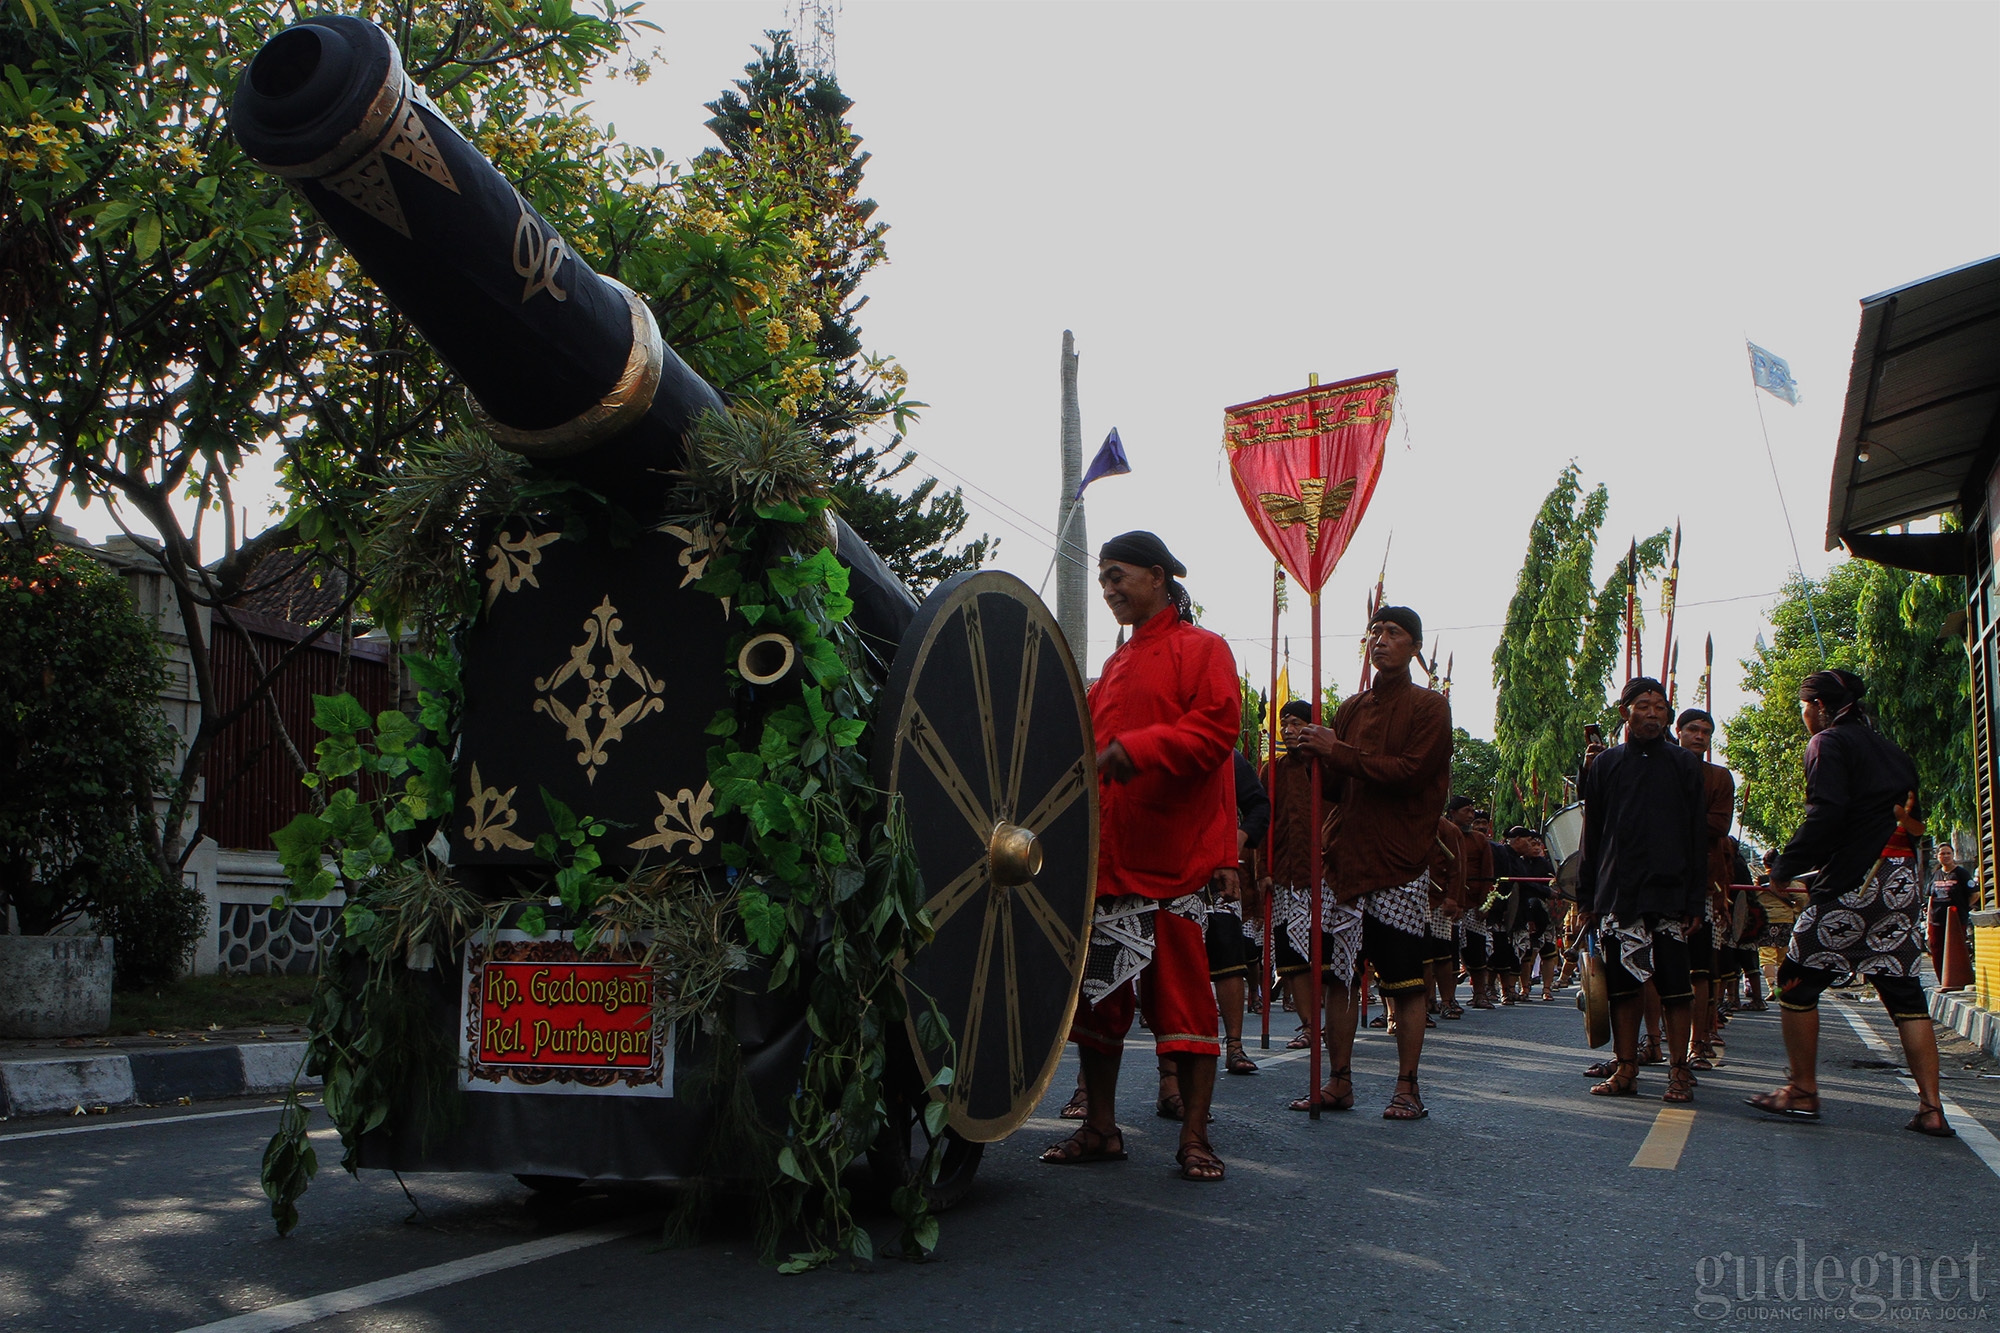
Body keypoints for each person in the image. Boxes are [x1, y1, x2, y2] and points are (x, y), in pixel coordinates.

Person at [1042, 531, 1239, 1181]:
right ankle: (1101, 1127)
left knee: (1185, 1006)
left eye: (1118, 576)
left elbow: (1214, 732)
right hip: (1110, 864)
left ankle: (1195, 1137)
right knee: (1098, 1004)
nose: (1108, 589)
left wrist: (1140, 748)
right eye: (1102, 580)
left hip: (1175, 861)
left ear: (1159, 577)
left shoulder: (1203, 649)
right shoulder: (1113, 670)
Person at [1749, 670, 1954, 1137]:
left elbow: (1828, 815)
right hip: (1901, 883)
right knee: (1904, 990)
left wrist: (1784, 868)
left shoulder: (1827, 744)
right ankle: (1931, 1108)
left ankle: (1802, 1091)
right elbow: (1910, 825)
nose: (1804, 718)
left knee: (1795, 983)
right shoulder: (1894, 751)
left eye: (1804, 708)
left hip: (1855, 883)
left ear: (1819, 706)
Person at [1281, 606, 1453, 1120]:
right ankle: (1339, 1080)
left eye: (1393, 632)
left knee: (1402, 980)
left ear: (1414, 646)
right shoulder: (1352, 707)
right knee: (1339, 976)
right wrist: (1316, 756)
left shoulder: (1431, 707)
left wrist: (1339, 752)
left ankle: (1407, 1086)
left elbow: (1410, 773)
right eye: (1375, 631)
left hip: (1398, 860)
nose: (1380, 639)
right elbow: (1337, 788)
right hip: (1347, 860)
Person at [1576, 677, 1708, 1103]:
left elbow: (1695, 836)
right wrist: (1587, 897)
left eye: (1660, 707)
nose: (1653, 714)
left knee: (1675, 987)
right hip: (1620, 892)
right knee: (1622, 987)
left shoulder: (1685, 765)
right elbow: (1591, 836)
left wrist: (1695, 899)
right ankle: (1626, 1068)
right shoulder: (1606, 765)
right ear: (1624, 713)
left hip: (1670, 893)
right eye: (1644, 706)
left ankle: (1678, 1071)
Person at [1263, 699, 1332, 1050]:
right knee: (1292, 958)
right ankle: (1309, 1025)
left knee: (1329, 955)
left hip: (1327, 878)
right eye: (1284, 724)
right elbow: (1263, 825)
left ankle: (1333, 1025)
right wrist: (1264, 871)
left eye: (1296, 724)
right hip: (1286, 877)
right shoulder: (1271, 771)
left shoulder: (1330, 765)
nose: (1289, 731)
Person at [1675, 707, 1735, 1071]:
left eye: (1706, 731)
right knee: (1653, 968)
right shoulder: (1658, 768)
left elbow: (1718, 826)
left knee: (1701, 970)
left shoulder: (1719, 777)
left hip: (1705, 883)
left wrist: (1672, 818)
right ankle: (1651, 1041)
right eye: (1693, 729)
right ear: (1678, 731)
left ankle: (1698, 1043)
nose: (1700, 736)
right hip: (1659, 881)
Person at [1451, 801, 1497, 1009]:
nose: (1470, 815)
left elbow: (1488, 874)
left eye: (1472, 811)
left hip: (1473, 904)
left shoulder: (1479, 840)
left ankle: (1480, 993)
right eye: (1466, 811)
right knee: (1447, 954)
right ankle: (1446, 999)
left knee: (1476, 949)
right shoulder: (1443, 833)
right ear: (1453, 813)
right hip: (1448, 903)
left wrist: (1484, 903)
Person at [1425, 812, 1466, 1022]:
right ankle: (1424, 1002)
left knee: (1441, 953)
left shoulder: (1447, 828)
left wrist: (1454, 898)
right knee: (1419, 955)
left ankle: (1447, 1001)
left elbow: (1456, 866)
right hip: (1412, 895)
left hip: (1439, 898)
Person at [1927, 842, 1973, 988]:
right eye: (1942, 853)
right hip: (1937, 920)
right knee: (1937, 950)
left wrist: (1963, 907)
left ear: (1953, 855)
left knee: (1955, 950)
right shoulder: (1935, 874)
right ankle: (1943, 982)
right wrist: (1929, 919)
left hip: (1956, 920)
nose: (1945, 856)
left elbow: (1975, 894)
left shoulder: (1961, 873)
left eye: (1948, 853)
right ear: (1937, 856)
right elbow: (1930, 898)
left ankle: (1958, 981)